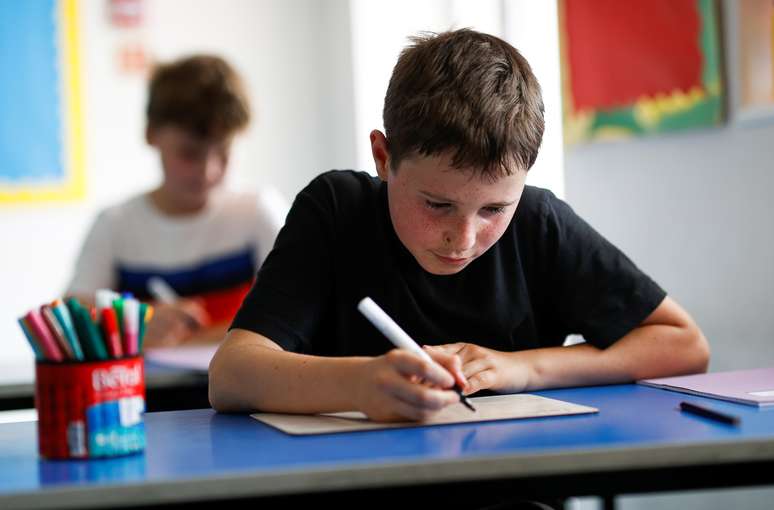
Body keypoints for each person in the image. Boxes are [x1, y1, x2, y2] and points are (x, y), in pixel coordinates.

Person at [210, 28, 708, 428]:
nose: (464, 239)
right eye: (437, 204)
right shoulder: (336, 210)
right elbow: (230, 375)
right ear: (384, 158)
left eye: (493, 209)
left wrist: (525, 367)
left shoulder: (538, 221)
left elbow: (683, 345)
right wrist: (360, 384)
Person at [67, 55, 288, 348]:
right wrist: (137, 325)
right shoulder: (115, 226)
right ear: (151, 135)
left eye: (223, 152)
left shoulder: (258, 213)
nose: (208, 171)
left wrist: (193, 337)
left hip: (244, 392)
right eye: (189, 154)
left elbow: (305, 310)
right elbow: (69, 321)